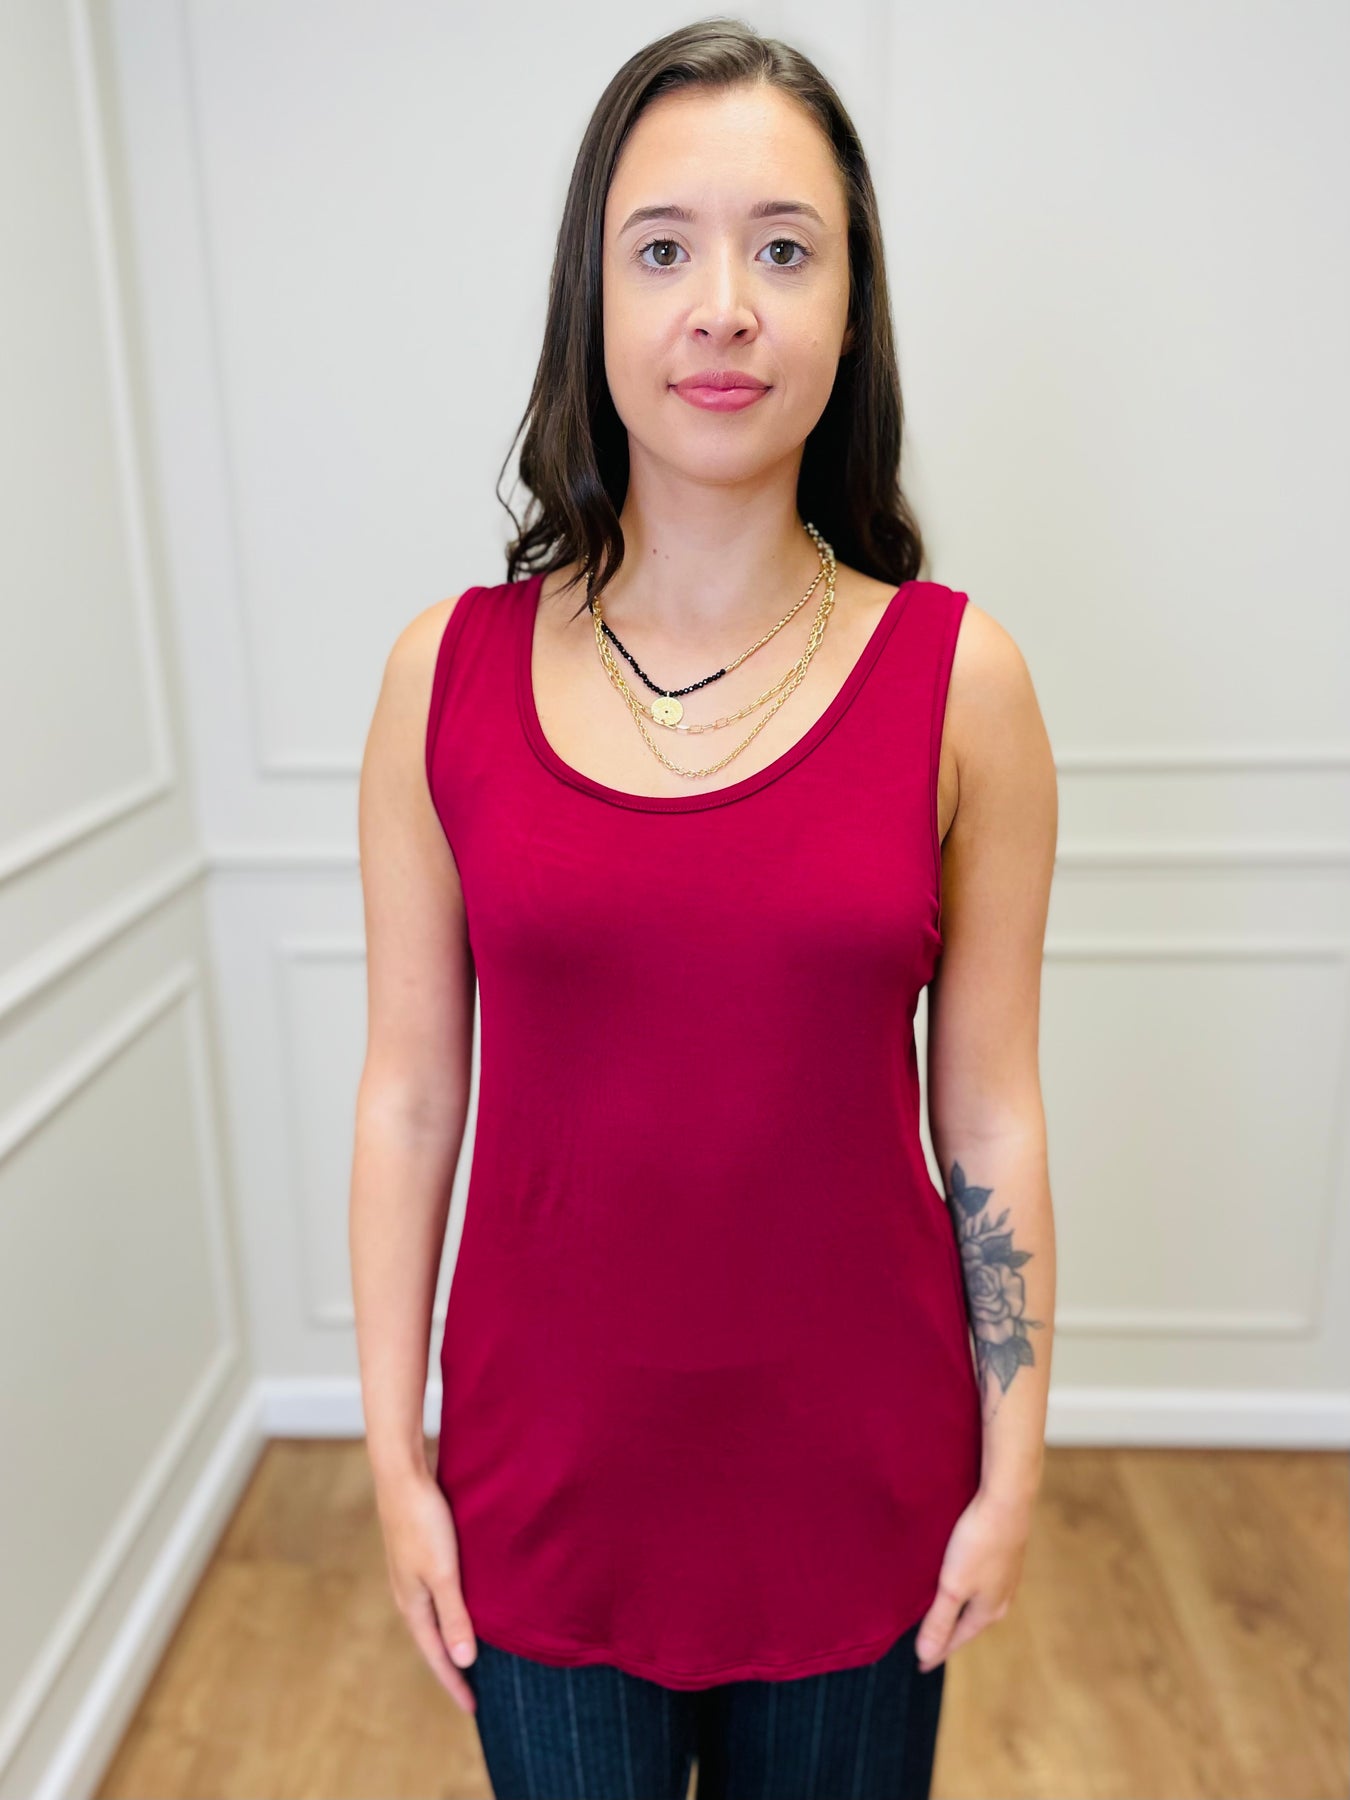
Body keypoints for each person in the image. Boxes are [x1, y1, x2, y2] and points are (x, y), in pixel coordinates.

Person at [351, 19, 1058, 1799]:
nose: (724, 307)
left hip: (860, 1502)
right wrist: (390, 1460)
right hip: (543, 1501)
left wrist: (1013, 1464)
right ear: (591, 301)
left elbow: (986, 1112)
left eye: (784, 249)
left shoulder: (962, 682)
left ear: (850, 305)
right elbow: (410, 1096)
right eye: (661, 248)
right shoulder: (443, 674)